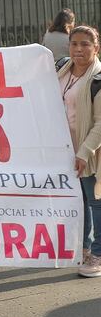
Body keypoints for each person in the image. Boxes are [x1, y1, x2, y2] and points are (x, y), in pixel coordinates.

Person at [55, 25, 101, 277]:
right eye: (75, 44)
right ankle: (83, 248)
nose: (79, 49)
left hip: (91, 152)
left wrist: (84, 152)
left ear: (96, 48)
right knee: (79, 202)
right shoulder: (62, 69)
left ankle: (98, 255)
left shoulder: (98, 78)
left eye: (85, 44)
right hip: (65, 149)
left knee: (96, 202)